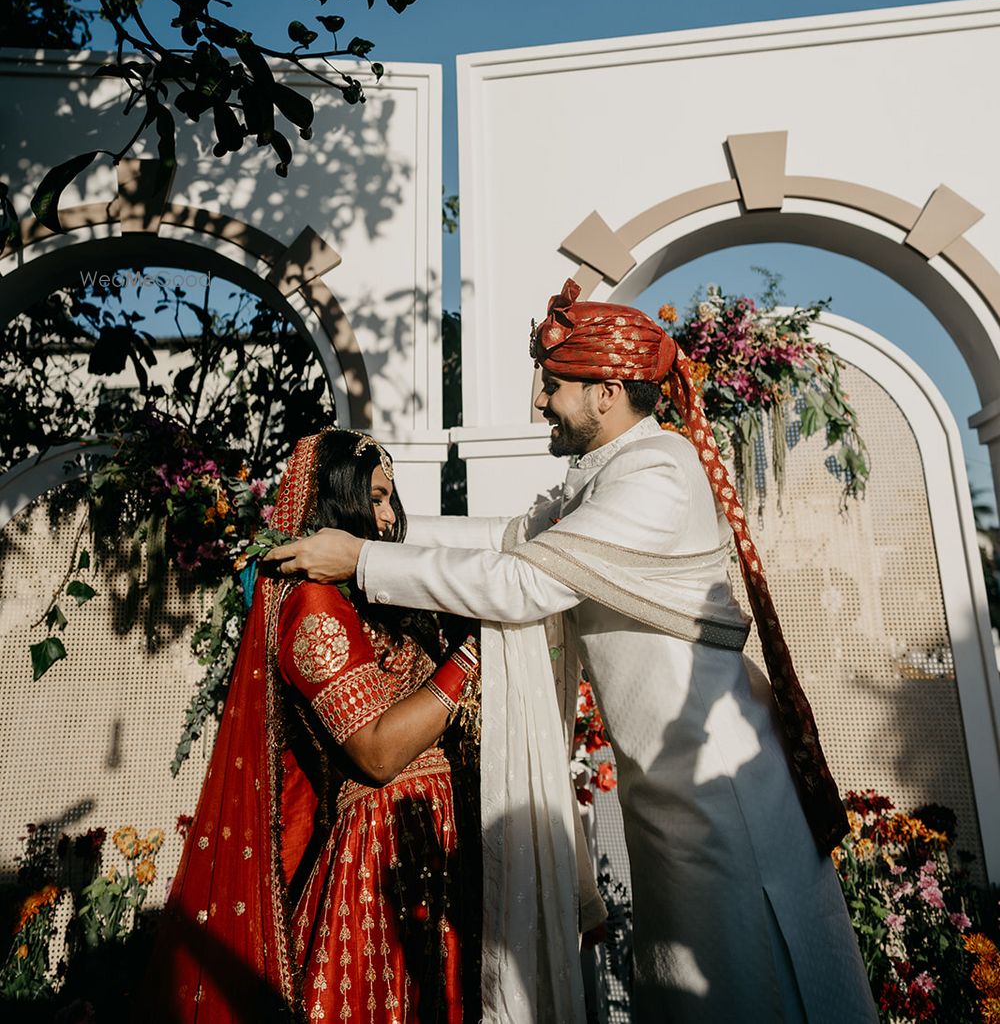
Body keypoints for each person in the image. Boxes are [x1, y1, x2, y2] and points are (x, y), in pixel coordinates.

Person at [267, 282, 880, 1024]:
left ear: (608, 393)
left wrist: (362, 561)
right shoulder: (603, 479)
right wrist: (372, 531)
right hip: (673, 806)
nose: (539, 405)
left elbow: (522, 580)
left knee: (755, 993)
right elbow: (504, 537)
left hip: (724, 804)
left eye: (553, 387)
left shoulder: (657, 472)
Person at [147, 427, 481, 1024]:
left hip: (431, 842)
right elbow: (376, 752)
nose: (386, 517)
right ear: (334, 505)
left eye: (389, 500)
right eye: (372, 499)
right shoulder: (313, 606)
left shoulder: (378, 595)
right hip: (379, 858)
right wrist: (471, 660)